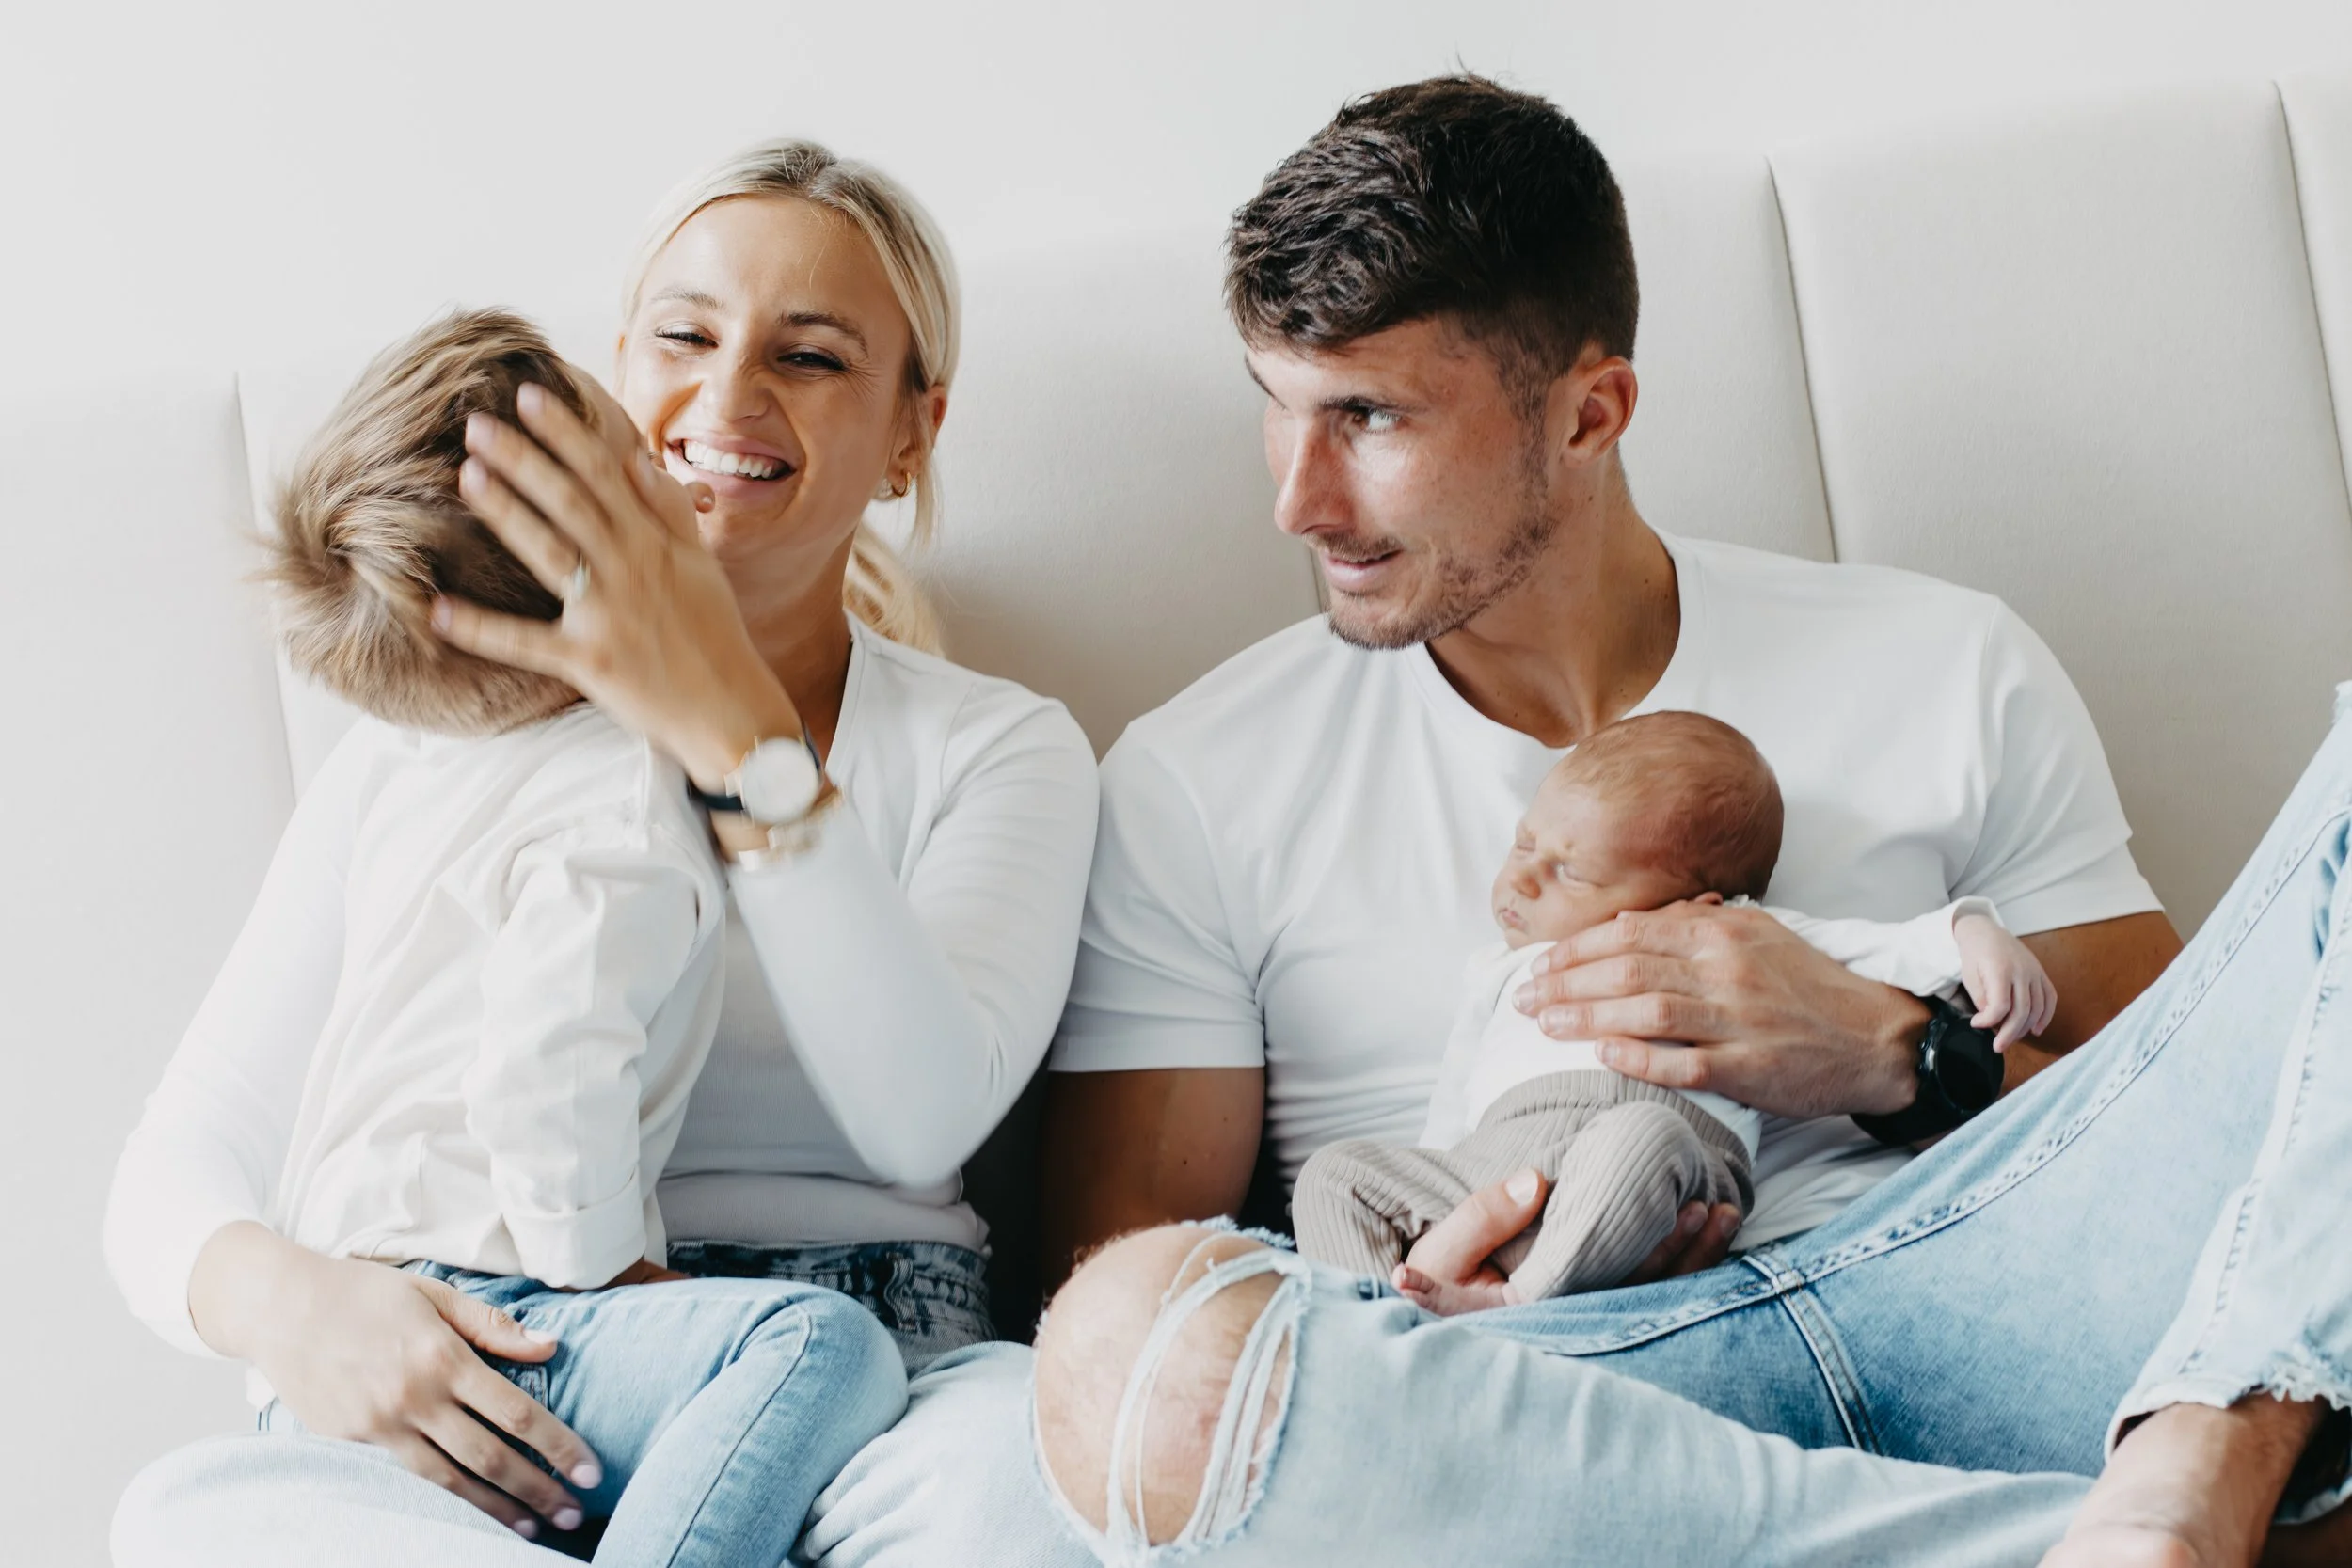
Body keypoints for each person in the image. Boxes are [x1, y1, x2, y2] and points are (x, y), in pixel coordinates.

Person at [1025, 76, 2351, 1566]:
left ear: (1591, 409)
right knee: (1123, 1344)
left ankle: (2156, 1487)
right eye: (1277, 411)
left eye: (1369, 417)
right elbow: (1124, 1286)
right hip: (1562, 1389)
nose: (1298, 499)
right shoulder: (1198, 777)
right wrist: (1409, 1303)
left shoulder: (1943, 661)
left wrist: (1897, 1050)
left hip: (1971, 1302)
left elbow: (2215, 1126)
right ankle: (2101, 1526)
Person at [109, 143, 1101, 1568]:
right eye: (684, 335)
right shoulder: (432, 747)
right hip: (500, 1351)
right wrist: (297, 1309)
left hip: (880, 1367)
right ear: (610, 381)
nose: (732, 391)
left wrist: (735, 737)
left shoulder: (997, 746)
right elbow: (179, 1162)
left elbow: (917, 1118)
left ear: (911, 433)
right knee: (183, 1518)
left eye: (812, 356)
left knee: (1025, 1495)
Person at [176, 304, 909, 1559]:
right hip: (491, 1312)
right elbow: (545, 1068)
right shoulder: (626, 790)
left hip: (332, 1359)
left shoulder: (426, 768)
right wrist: (608, 1271)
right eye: (627, 448)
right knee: (822, 1342)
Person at [1292, 710, 2055, 1308]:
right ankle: (1364, 1323)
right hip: (1495, 1168)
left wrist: (1972, 932)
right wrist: (1440, 1192)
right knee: (1334, 1173)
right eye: (1524, 846)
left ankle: (1520, 1303)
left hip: (1657, 1165)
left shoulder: (1728, 939)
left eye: (1570, 871)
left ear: (1693, 902)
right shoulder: (1497, 970)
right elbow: (1453, 1102)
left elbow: (1885, 950)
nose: (1520, 882)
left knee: (1640, 1134)